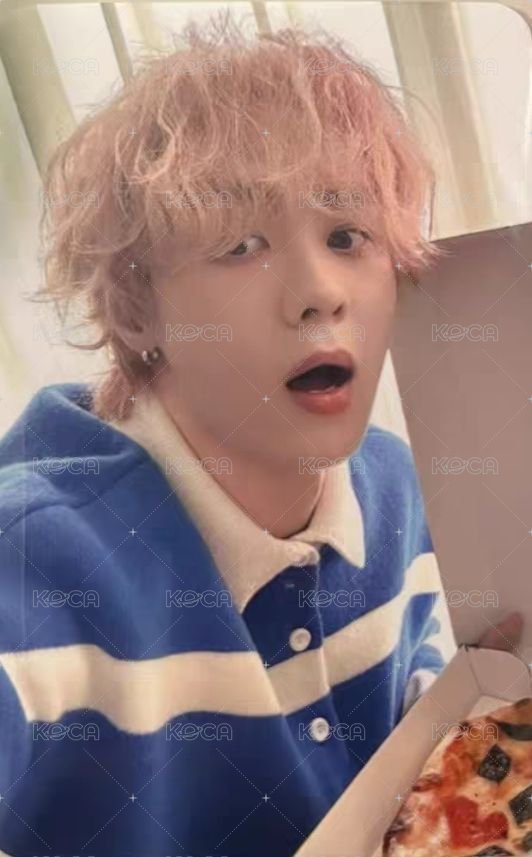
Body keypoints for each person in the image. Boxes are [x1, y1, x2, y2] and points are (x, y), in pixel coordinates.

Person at [0, 10, 523, 857]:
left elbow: (421, 753)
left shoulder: (404, 487)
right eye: (241, 244)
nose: (319, 291)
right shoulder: (36, 560)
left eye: (348, 235)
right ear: (136, 310)